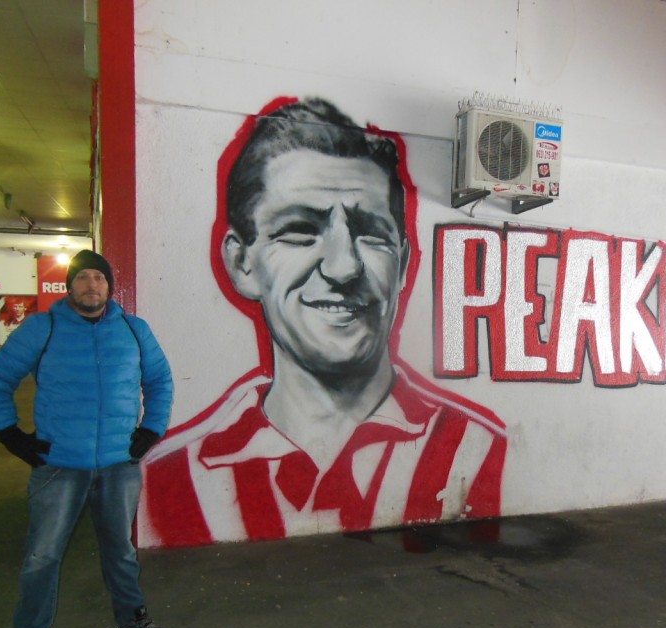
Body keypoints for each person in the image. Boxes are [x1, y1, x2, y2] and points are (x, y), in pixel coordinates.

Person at [141, 97, 506, 546]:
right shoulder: (169, 483)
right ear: (242, 263)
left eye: (372, 234)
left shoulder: (479, 450)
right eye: (299, 231)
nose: (342, 267)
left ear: (405, 264)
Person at [0, 249, 174, 628]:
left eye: (99, 279)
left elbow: (159, 380)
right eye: (83, 278)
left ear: (109, 286)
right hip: (59, 465)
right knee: (42, 555)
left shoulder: (132, 329)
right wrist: (10, 433)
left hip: (118, 464)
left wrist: (151, 429)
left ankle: (131, 619)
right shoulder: (43, 328)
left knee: (120, 549)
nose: (91, 286)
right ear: (69, 286)